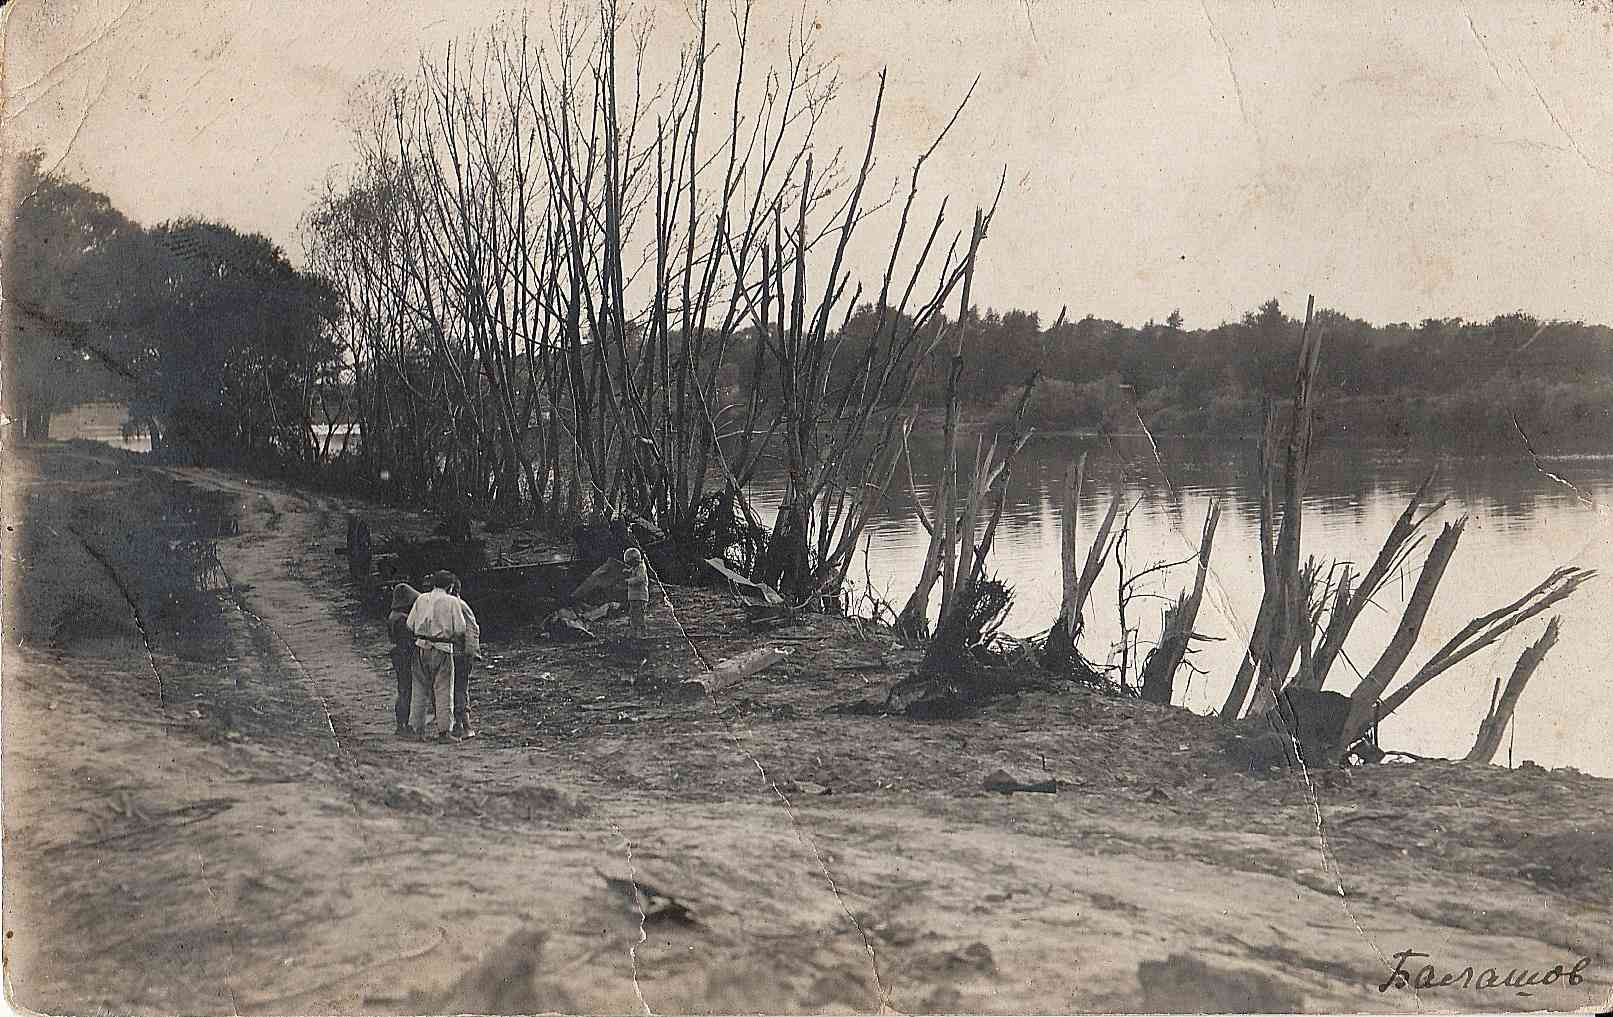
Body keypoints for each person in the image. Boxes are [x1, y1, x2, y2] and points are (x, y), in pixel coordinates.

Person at [406, 570, 473, 741]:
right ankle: (444, 732)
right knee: (443, 690)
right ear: (450, 586)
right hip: (442, 647)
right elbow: (459, 628)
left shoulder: (421, 599)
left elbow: (410, 624)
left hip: (420, 646)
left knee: (419, 690)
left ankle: (417, 730)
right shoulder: (451, 602)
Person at [447, 578, 481, 738]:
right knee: (460, 688)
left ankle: (463, 725)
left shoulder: (455, 605)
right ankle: (462, 725)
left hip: (457, 653)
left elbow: (471, 630)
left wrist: (469, 653)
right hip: (459, 653)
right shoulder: (459, 605)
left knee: (456, 688)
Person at [386, 584, 421, 736]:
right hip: (405, 654)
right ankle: (403, 725)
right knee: (406, 690)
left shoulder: (393, 616)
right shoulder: (402, 619)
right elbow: (408, 638)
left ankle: (401, 724)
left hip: (398, 654)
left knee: (403, 689)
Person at [622, 546, 649, 639]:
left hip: (640, 596)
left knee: (639, 615)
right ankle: (634, 632)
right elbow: (633, 571)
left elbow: (639, 578)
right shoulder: (636, 567)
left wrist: (628, 581)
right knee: (633, 614)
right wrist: (628, 571)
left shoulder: (641, 567)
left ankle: (642, 633)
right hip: (634, 596)